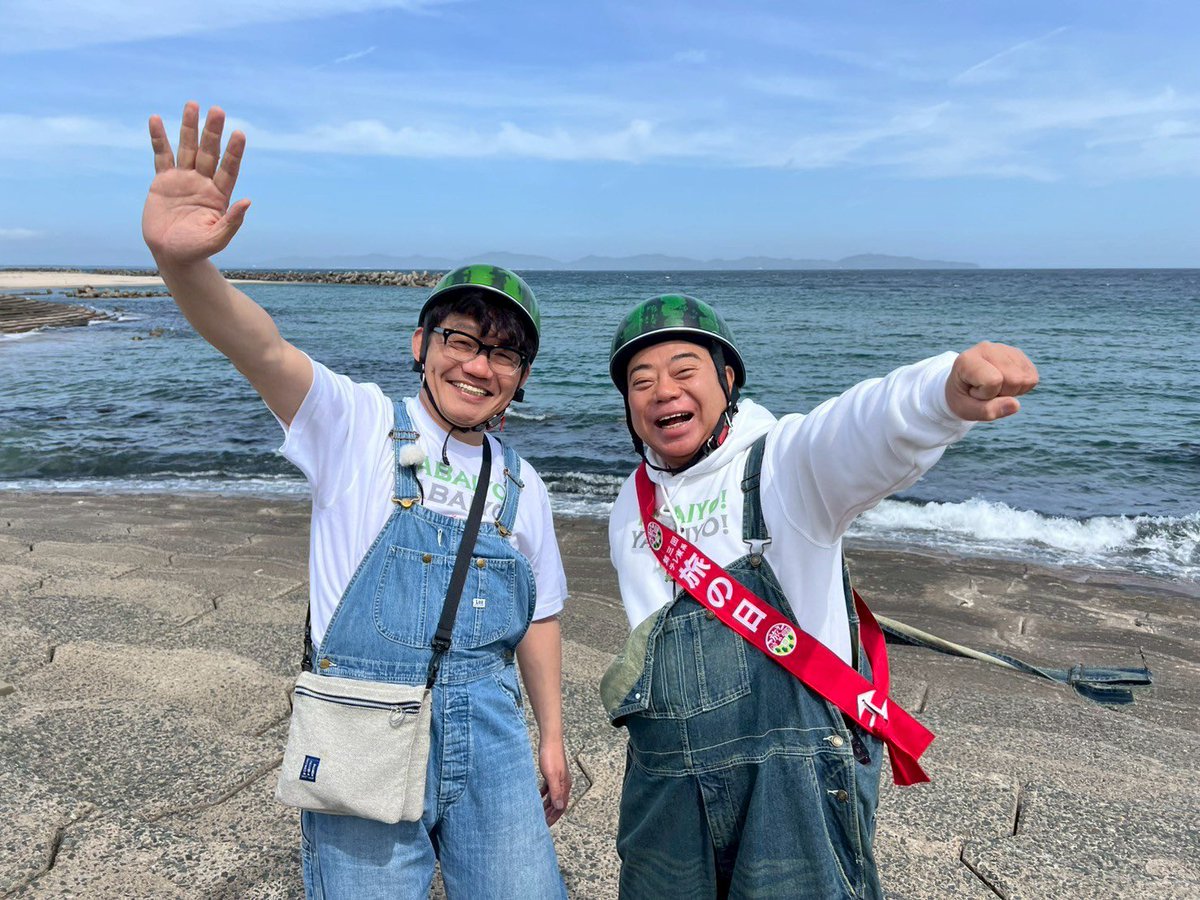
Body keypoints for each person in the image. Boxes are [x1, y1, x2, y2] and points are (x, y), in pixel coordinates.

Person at [142, 102, 570, 899]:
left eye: (505, 353)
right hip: (360, 719)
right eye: (462, 340)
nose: (479, 366)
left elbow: (539, 613)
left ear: (520, 378)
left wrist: (552, 735)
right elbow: (258, 344)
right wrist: (181, 267)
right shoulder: (355, 423)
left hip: (493, 730)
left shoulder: (523, 482)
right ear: (422, 344)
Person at [600, 293, 1038, 898]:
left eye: (684, 370)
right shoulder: (630, 506)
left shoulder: (785, 462)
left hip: (793, 780)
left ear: (727, 380)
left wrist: (942, 393)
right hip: (665, 780)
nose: (662, 391)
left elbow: (858, 429)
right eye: (640, 381)